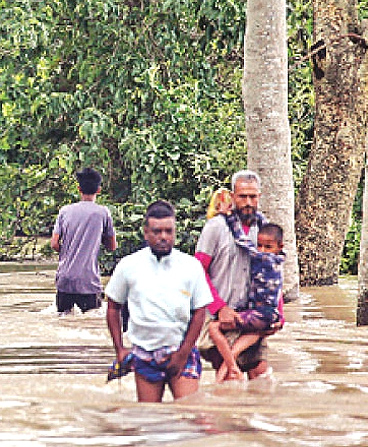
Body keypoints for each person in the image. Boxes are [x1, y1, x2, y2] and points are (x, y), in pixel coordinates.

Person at [105, 200, 213, 402]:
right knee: (149, 417)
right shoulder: (129, 265)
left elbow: (200, 312)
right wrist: (119, 349)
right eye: (157, 231)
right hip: (145, 353)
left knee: (190, 416)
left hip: (181, 349)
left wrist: (183, 353)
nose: (163, 237)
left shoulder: (190, 266)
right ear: (146, 233)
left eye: (168, 231)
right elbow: (113, 307)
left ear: (175, 232)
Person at [195, 170, 280, 380]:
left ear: (259, 197)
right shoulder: (216, 227)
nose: (248, 202)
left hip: (250, 316)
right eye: (242, 196)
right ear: (233, 197)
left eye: (253, 196)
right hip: (219, 316)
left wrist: (279, 314)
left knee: (260, 375)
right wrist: (219, 307)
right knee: (227, 381)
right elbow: (197, 271)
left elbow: (274, 274)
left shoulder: (264, 230)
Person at [208, 222, 284, 382]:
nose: (262, 250)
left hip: (261, 315)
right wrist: (280, 317)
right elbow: (279, 293)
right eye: (260, 245)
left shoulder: (266, 260)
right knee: (236, 349)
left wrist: (229, 217)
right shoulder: (279, 262)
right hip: (268, 316)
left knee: (214, 328)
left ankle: (232, 368)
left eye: (268, 246)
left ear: (279, 246)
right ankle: (223, 377)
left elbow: (242, 240)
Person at [50, 167, 117, 312]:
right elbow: (112, 246)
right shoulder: (103, 212)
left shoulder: (65, 211)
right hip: (88, 280)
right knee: (91, 322)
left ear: (79, 189)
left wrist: (68, 252)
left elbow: (54, 244)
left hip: (65, 279)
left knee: (63, 321)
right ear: (98, 190)